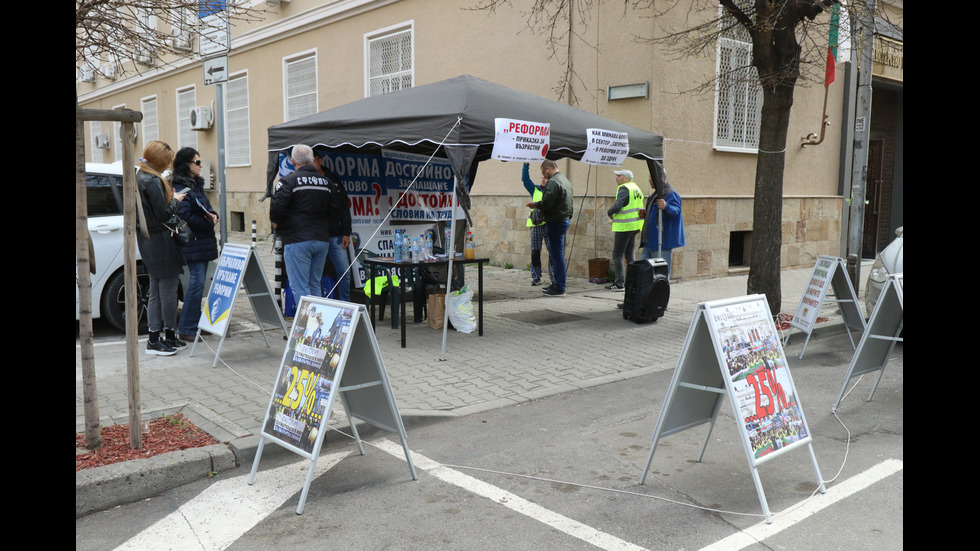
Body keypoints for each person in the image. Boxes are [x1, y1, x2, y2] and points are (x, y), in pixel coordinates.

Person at [136, 140, 186, 355]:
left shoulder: (140, 176)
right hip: (160, 239)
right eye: (167, 160)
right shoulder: (152, 180)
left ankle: (156, 337)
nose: (169, 165)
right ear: (160, 160)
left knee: (156, 290)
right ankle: (165, 337)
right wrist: (176, 200)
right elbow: (164, 213)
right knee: (167, 290)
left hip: (148, 239)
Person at [270, 144, 335, 302]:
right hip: (321, 239)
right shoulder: (327, 182)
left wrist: (275, 223)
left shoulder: (288, 181)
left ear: (293, 161)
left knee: (300, 287)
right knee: (315, 284)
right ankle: (319, 324)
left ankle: (307, 326)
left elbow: (277, 207)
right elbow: (335, 210)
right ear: (313, 160)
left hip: (297, 240)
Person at [172, 147, 219, 341]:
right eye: (197, 162)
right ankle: (187, 328)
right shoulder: (180, 186)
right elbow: (185, 216)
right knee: (196, 283)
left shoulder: (196, 184)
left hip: (202, 241)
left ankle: (196, 322)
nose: (201, 166)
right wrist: (207, 223)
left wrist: (214, 214)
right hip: (194, 241)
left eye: (200, 162)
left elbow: (205, 207)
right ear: (186, 164)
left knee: (199, 285)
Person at [526, 159, 573, 297]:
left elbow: (547, 203)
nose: (544, 176)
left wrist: (536, 204)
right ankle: (557, 284)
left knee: (557, 256)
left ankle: (560, 288)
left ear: (548, 169)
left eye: (543, 172)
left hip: (555, 222)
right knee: (557, 255)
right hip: (564, 220)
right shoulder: (565, 179)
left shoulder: (553, 182)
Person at [312, 151, 354, 302]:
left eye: (314, 160)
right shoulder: (308, 180)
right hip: (315, 237)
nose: (312, 163)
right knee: (316, 275)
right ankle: (319, 307)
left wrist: (346, 232)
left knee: (344, 272)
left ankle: (345, 305)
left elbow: (344, 207)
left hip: (335, 236)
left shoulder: (334, 180)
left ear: (320, 160)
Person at [639, 172, 685, 279]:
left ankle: (660, 295)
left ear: (657, 179)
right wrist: (646, 214)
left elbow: (676, 211)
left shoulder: (670, 193)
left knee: (660, 275)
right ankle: (649, 295)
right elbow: (656, 214)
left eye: (650, 177)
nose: (648, 180)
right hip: (649, 242)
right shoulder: (655, 194)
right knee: (645, 273)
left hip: (661, 242)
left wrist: (666, 206)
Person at [605, 169, 644, 291]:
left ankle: (619, 283)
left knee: (617, 254)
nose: (616, 178)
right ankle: (631, 282)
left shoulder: (624, 188)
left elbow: (618, 206)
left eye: (619, 175)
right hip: (635, 226)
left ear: (625, 178)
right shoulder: (636, 188)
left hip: (625, 226)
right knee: (630, 255)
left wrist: (609, 212)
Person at [521, 162, 554, 287]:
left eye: (545, 178)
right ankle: (536, 277)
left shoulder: (552, 190)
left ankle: (553, 276)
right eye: (542, 177)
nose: (543, 179)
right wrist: (526, 165)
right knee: (535, 252)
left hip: (549, 224)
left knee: (552, 252)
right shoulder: (534, 189)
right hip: (535, 225)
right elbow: (525, 179)